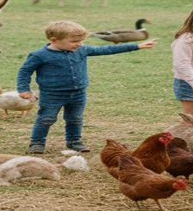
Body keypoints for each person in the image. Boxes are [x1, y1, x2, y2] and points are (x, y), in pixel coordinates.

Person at [17, 20, 155, 154]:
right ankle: (37, 143)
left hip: (78, 94)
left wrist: (136, 46)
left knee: (75, 119)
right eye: (74, 41)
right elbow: (25, 71)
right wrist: (23, 89)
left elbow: (107, 49)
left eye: (81, 41)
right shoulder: (39, 55)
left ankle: (74, 141)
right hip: (52, 95)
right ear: (54, 40)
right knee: (46, 118)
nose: (79, 44)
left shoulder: (81, 50)